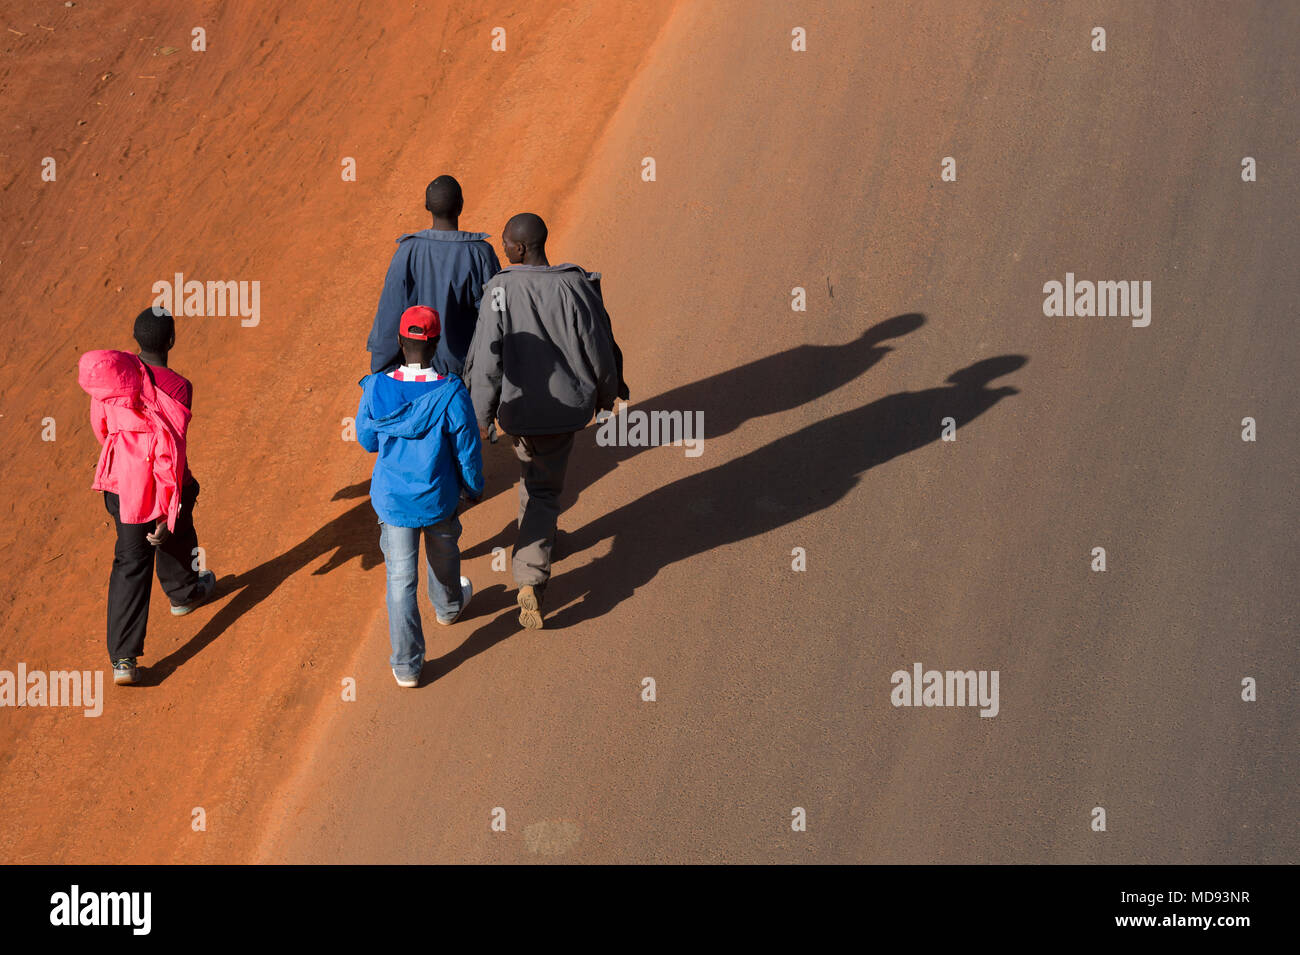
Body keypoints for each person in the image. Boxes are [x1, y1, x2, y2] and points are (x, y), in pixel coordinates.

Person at [464, 213, 622, 629]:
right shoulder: (572, 284)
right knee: (543, 487)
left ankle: (531, 571)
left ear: (518, 248)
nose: (502, 249)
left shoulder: (499, 289)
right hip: (563, 412)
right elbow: (598, 345)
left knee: (537, 485)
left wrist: (481, 414)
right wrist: (607, 393)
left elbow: (486, 360)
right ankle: (535, 561)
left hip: (518, 413)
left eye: (504, 244)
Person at [78, 307, 216, 686]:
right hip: (158, 484)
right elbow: (173, 451)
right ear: (171, 341)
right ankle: (184, 593)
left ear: (136, 341)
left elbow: (101, 428)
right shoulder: (178, 387)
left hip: (118, 484)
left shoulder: (112, 380)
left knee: (130, 559)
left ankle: (123, 659)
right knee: (179, 512)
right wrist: (165, 509)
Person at [357, 306, 484, 687]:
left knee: (400, 579)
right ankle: (447, 607)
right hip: (439, 498)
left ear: (400, 342)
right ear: (435, 344)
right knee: (445, 555)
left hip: (394, 502)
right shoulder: (451, 392)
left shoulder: (377, 387)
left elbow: (366, 440)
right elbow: (467, 448)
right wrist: (473, 488)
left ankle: (407, 667)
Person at [366, 175, 501, 377]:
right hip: (464, 377)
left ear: (427, 206)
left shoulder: (407, 251)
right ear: (461, 206)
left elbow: (390, 313)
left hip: (415, 375)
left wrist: (382, 372)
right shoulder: (480, 253)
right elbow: (496, 316)